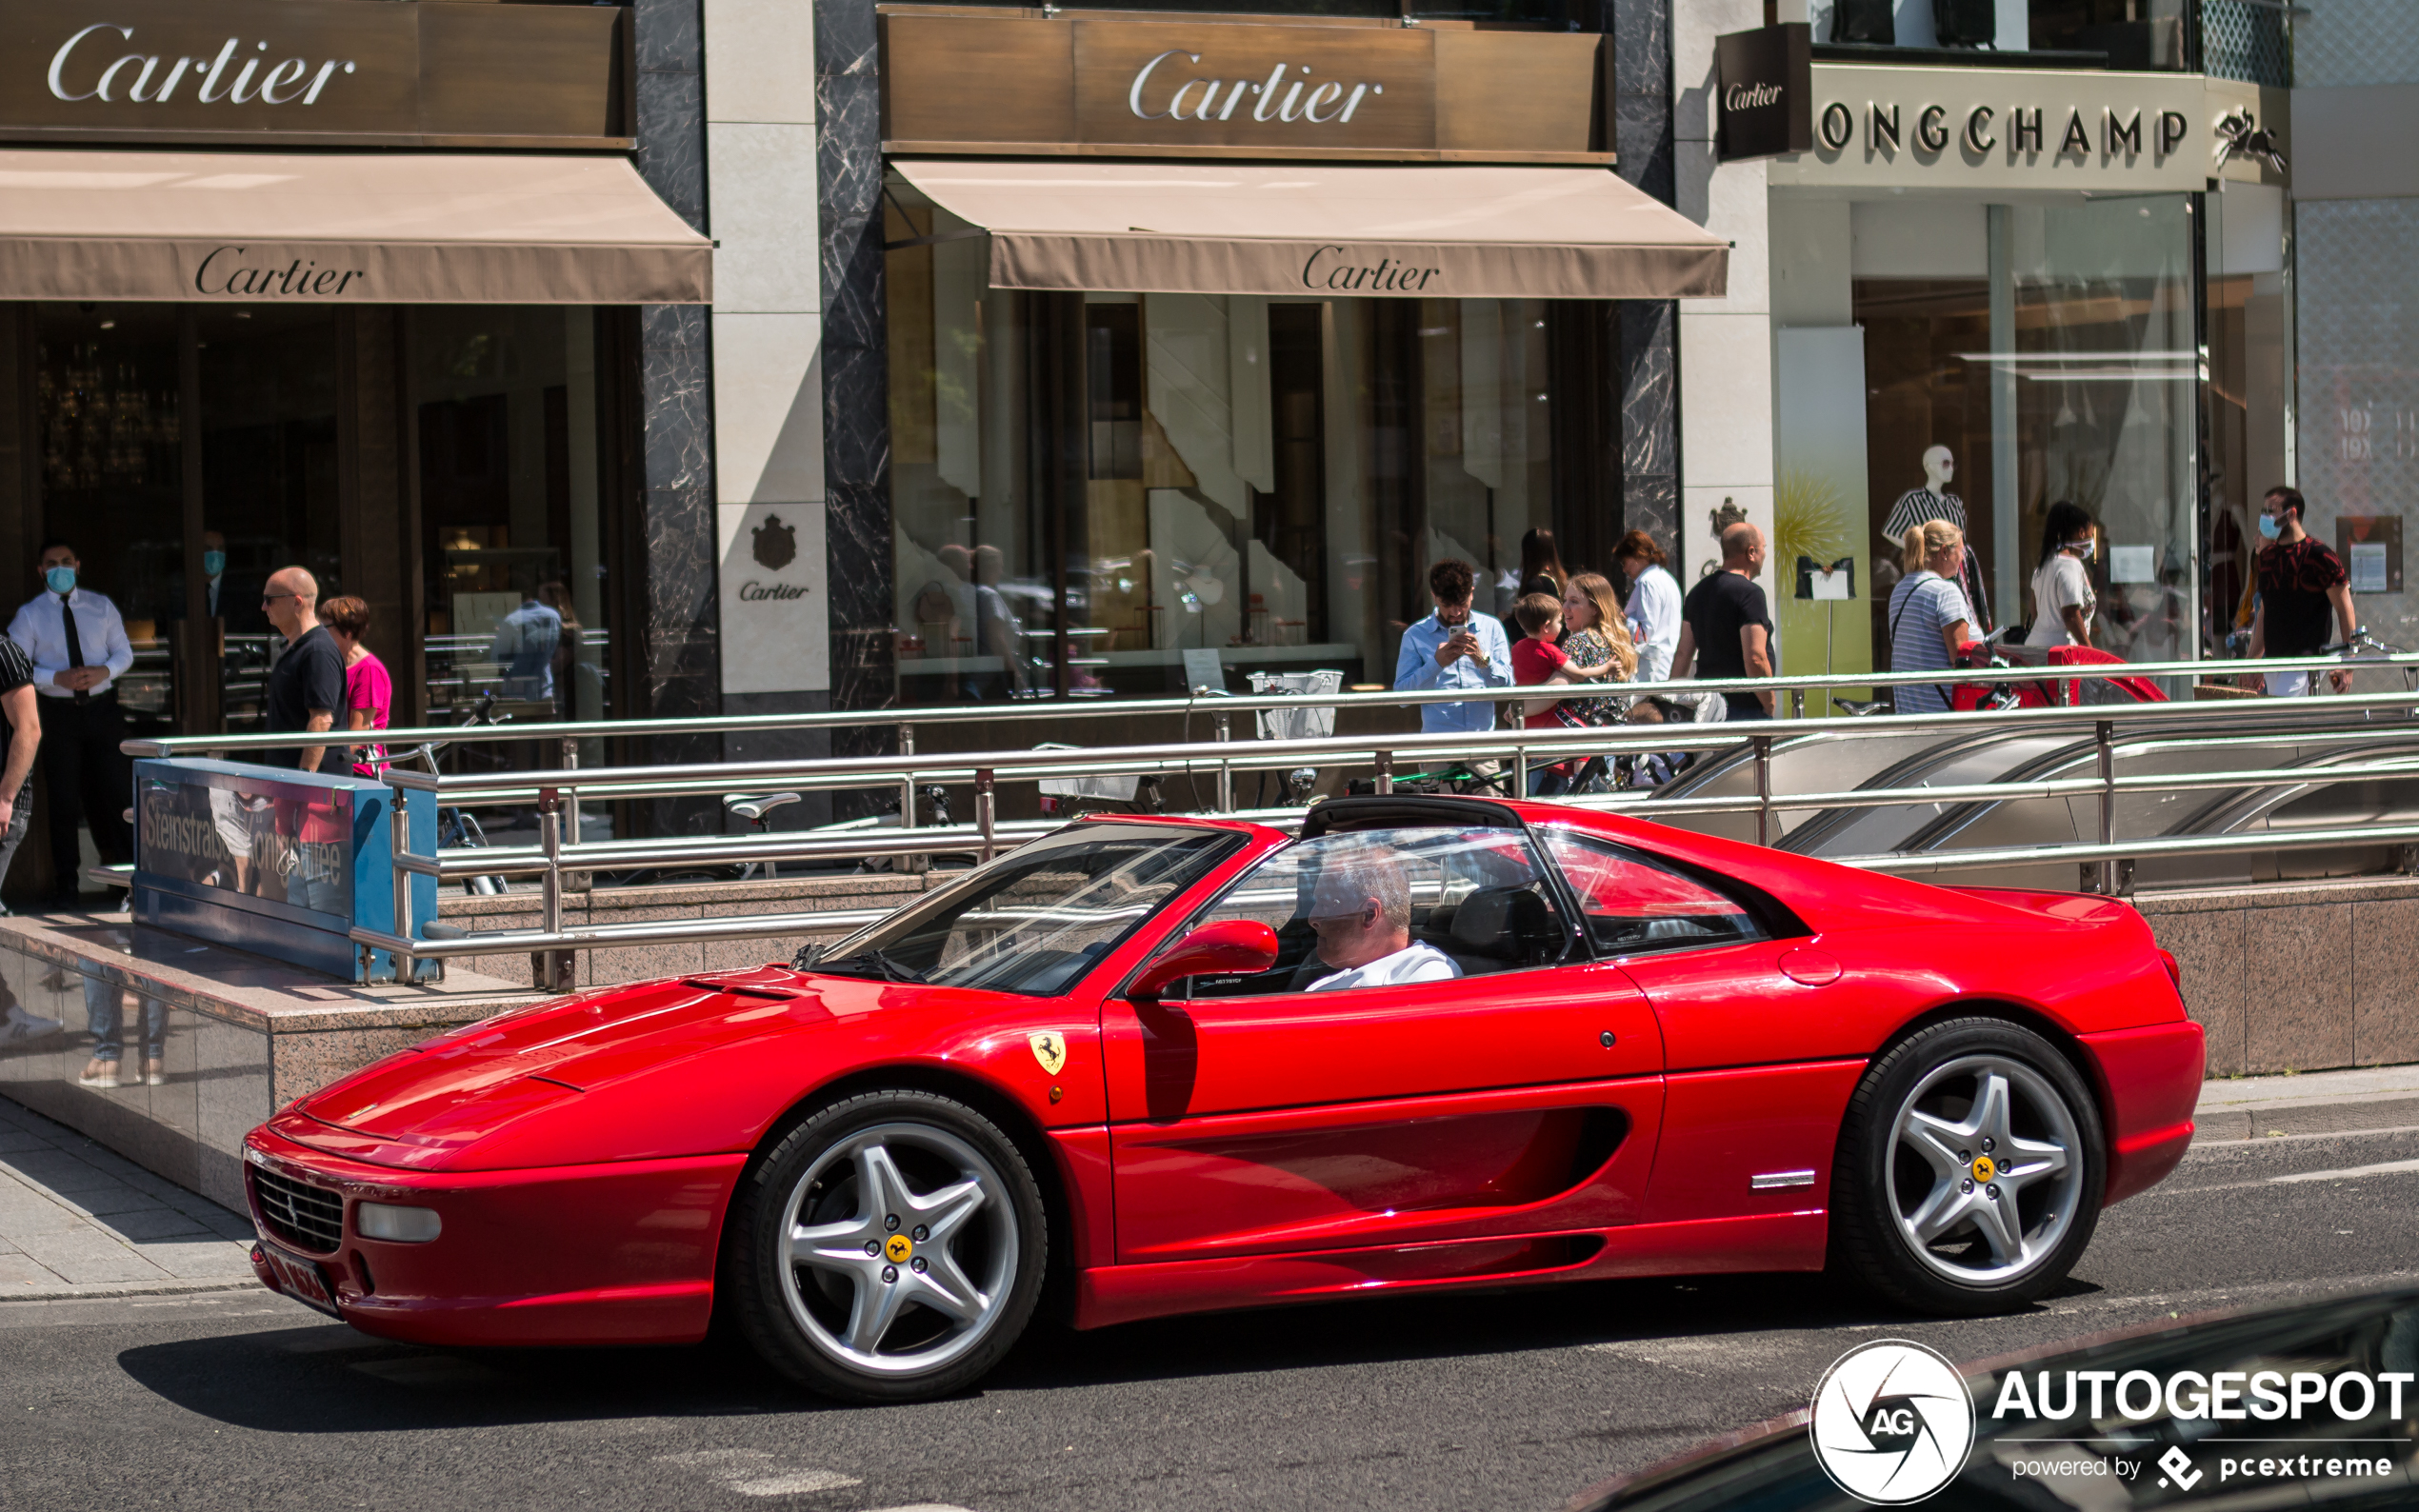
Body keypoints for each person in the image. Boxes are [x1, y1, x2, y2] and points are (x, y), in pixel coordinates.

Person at [8, 541, 134, 907]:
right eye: (52, 564)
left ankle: (130, 881)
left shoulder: (100, 606)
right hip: (57, 714)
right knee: (63, 801)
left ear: (78, 565)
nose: (59, 569)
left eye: (66, 562)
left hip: (102, 711)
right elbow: (17, 666)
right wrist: (54, 678)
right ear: (40, 570)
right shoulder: (29, 616)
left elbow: (124, 652)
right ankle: (67, 885)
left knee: (119, 794)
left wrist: (104, 671)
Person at [2243, 486, 2356, 696]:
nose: (2265, 517)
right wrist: (2252, 661)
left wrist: (2349, 664)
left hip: (2305, 662)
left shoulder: (2320, 556)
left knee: (2286, 723)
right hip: (2275, 662)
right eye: (2263, 511)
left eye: (2271, 510)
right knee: (2281, 724)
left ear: (2291, 513)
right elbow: (2266, 613)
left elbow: (2344, 608)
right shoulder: (2268, 558)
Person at [1302, 844, 1460, 991]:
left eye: (1325, 905)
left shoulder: (1429, 976)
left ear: (1369, 915)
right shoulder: (1322, 985)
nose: (1312, 918)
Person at [1393, 557, 1513, 736]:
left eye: (1462, 604)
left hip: (1482, 742)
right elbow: (1401, 697)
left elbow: (1509, 688)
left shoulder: (1491, 627)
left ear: (1472, 593)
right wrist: (1435, 664)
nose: (1455, 613)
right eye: (1447, 605)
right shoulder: (1415, 634)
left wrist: (1482, 660)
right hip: (1438, 744)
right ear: (1434, 596)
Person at [1672, 522, 1776, 719]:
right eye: (1763, 548)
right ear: (1751, 552)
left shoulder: (1697, 592)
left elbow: (1683, 653)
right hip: (1744, 708)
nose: (1764, 554)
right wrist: (1769, 703)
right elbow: (1755, 657)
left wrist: (1670, 700)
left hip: (1708, 708)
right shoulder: (1750, 594)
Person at [259, 567, 345, 772]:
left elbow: (321, 720)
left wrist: (304, 781)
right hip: (290, 782)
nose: (263, 607)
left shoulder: (318, 650)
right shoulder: (296, 647)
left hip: (315, 788)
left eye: (270, 599)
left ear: (297, 602)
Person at [1887, 521, 1974, 716]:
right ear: (1944, 552)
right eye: (1960, 551)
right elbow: (1962, 661)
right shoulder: (1945, 592)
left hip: (1909, 713)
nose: (1962, 558)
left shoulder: (1900, 590)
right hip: (1944, 715)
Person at [319, 596, 391, 777]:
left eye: (325, 628)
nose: (320, 634)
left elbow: (357, 735)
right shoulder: (335, 664)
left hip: (360, 770)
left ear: (347, 633)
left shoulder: (368, 670)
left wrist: (320, 765)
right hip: (338, 765)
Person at [2025, 501, 2098, 649]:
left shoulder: (2043, 566)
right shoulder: (2070, 565)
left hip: (2035, 646)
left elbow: (2034, 612)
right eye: (2091, 533)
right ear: (2081, 532)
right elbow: (2070, 614)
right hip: (2061, 651)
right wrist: (2088, 648)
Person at [1613, 529, 1683, 685]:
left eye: (1625, 563)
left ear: (1638, 555)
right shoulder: (1667, 578)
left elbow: (1644, 633)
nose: (1624, 570)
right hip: (1666, 662)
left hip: (1650, 668)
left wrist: (1623, 620)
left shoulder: (1647, 582)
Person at [489, 588, 564, 702]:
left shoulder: (512, 621)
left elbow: (497, 660)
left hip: (516, 692)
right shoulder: (554, 616)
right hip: (545, 688)